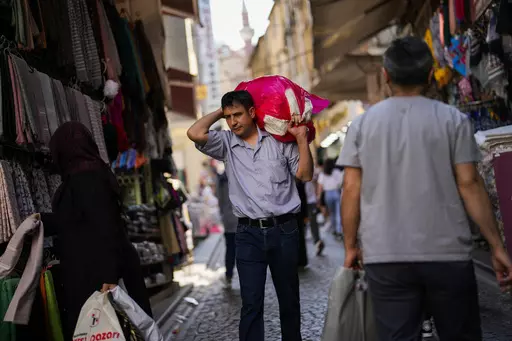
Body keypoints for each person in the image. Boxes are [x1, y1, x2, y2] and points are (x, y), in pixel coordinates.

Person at [338, 36, 512, 341]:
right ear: (431, 74)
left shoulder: (361, 127)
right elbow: (469, 184)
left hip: (386, 256)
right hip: (446, 253)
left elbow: (351, 189)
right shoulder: (453, 120)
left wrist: (351, 246)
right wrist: (496, 246)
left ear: (386, 75)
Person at [187, 90, 313, 341]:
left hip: (284, 231)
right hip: (248, 235)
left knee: (289, 301)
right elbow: (195, 133)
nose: (233, 122)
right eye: (228, 116)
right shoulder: (225, 143)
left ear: (253, 113)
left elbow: (305, 176)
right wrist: (219, 112)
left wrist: (300, 139)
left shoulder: (279, 140)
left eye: (238, 114)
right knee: (251, 304)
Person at [39, 122, 152, 339]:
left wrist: (108, 276)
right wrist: (42, 221)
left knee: (100, 331)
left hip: (95, 274)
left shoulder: (87, 179)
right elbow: (77, 220)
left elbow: (105, 226)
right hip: (92, 270)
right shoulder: (88, 175)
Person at [215, 161, 238, 289]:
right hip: (240, 218)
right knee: (244, 248)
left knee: (230, 248)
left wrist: (223, 214)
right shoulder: (240, 175)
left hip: (229, 219)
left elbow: (219, 200)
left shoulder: (222, 179)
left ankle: (229, 275)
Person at [316, 159, 344, 237]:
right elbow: (341, 183)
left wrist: (318, 197)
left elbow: (320, 187)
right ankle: (339, 231)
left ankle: (334, 229)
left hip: (327, 194)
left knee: (331, 213)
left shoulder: (322, 173)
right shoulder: (337, 172)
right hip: (336, 192)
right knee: (338, 213)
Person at [304, 165, 324, 255]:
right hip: (308, 201)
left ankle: (317, 242)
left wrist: (317, 198)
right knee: (313, 224)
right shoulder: (311, 171)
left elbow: (316, 184)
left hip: (308, 202)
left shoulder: (311, 172)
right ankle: (317, 241)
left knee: (310, 224)